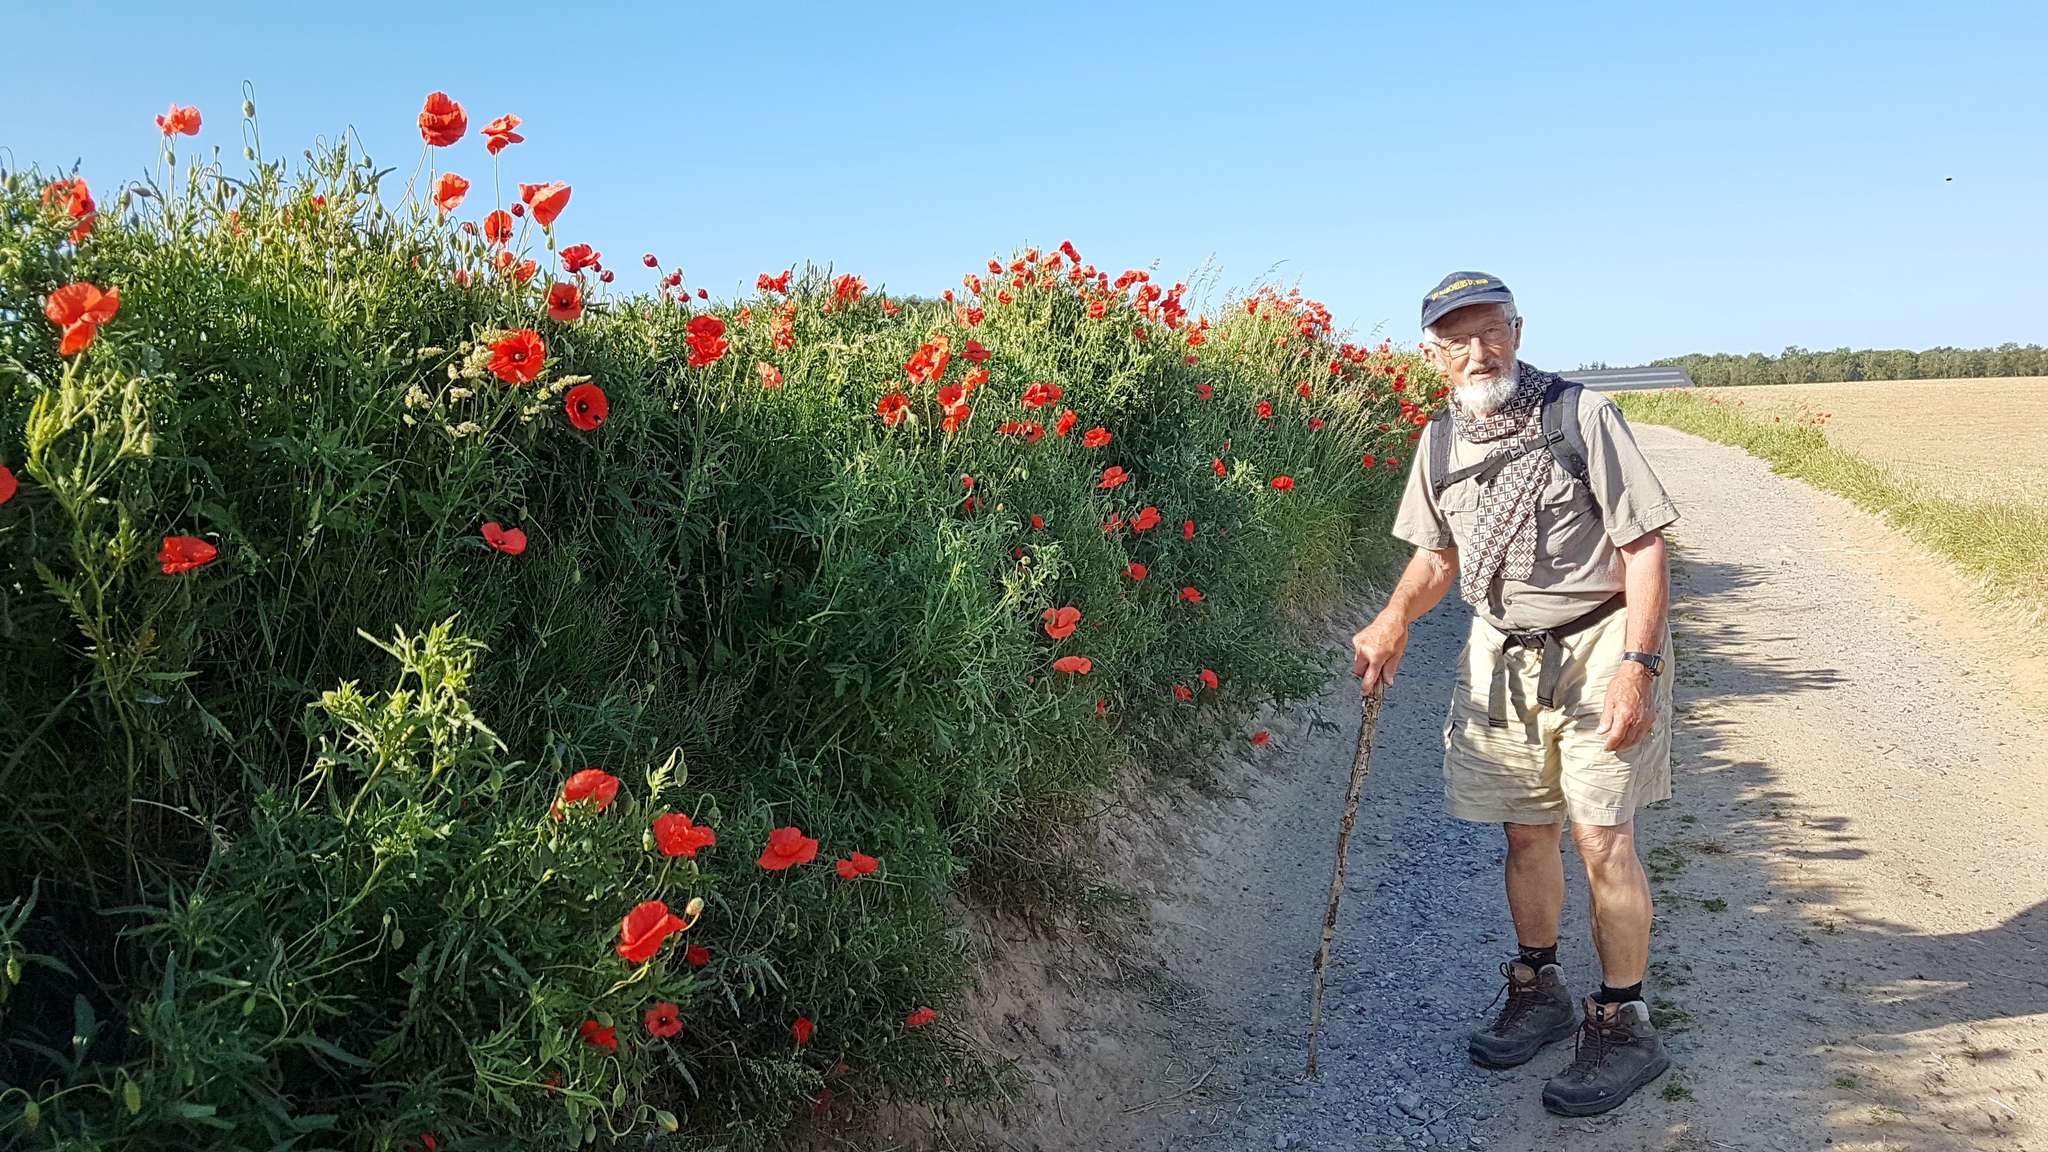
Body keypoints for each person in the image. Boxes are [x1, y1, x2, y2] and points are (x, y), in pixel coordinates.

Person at [1350, 271, 1681, 1116]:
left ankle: (1625, 1020)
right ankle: (1540, 988)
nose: (1478, 351)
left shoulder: (1580, 416)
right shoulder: (1439, 441)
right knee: (1526, 833)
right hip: (1501, 654)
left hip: (1602, 641)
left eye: (1491, 331)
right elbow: (1437, 558)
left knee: (1601, 836)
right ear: (1433, 353)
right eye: (1457, 339)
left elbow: (1643, 547)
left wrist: (1639, 666)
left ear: (1518, 332)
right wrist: (1392, 619)